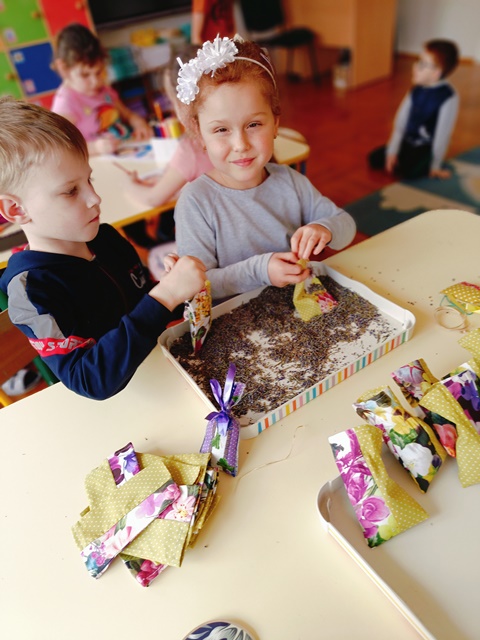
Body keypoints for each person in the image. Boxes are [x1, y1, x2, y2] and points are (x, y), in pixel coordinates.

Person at [0, 97, 206, 400]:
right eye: (71, 190)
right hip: (125, 404)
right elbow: (89, 379)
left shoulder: (105, 238)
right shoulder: (32, 289)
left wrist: (173, 291)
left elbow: (141, 307)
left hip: (165, 376)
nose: (94, 198)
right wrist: (164, 297)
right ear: (16, 210)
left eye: (89, 179)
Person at [171, 36, 356, 301]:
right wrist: (261, 271)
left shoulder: (291, 181)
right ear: (200, 134)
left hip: (302, 304)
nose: (241, 145)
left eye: (254, 125)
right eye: (221, 130)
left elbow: (346, 226)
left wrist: (324, 229)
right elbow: (197, 285)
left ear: (275, 124)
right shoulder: (196, 202)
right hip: (237, 318)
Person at [51, 23, 152, 157]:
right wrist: (95, 148)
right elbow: (62, 148)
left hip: (127, 153)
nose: (95, 81)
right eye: (85, 75)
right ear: (63, 68)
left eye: (99, 72)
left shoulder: (103, 90)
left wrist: (138, 123)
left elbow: (127, 115)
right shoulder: (65, 102)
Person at [368, 39, 460, 180]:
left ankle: (413, 164)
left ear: (436, 72)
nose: (415, 67)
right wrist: (393, 151)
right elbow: (400, 123)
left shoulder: (448, 97)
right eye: (417, 62)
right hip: (408, 141)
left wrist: (435, 166)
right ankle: (400, 159)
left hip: (425, 147)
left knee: (410, 172)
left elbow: (442, 136)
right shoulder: (416, 90)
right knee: (374, 159)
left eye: (422, 64)